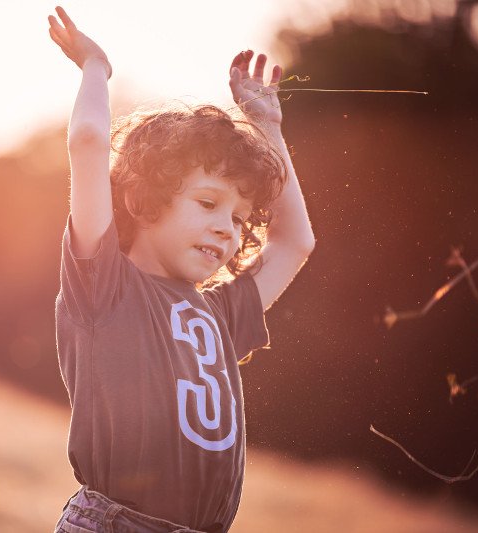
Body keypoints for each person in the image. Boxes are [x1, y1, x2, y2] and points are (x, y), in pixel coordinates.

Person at [48, 6, 315, 532]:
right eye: (208, 202)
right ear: (146, 198)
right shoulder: (105, 285)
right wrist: (96, 67)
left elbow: (295, 241)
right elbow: (87, 143)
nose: (228, 229)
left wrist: (266, 127)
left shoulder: (218, 313)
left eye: (240, 218)